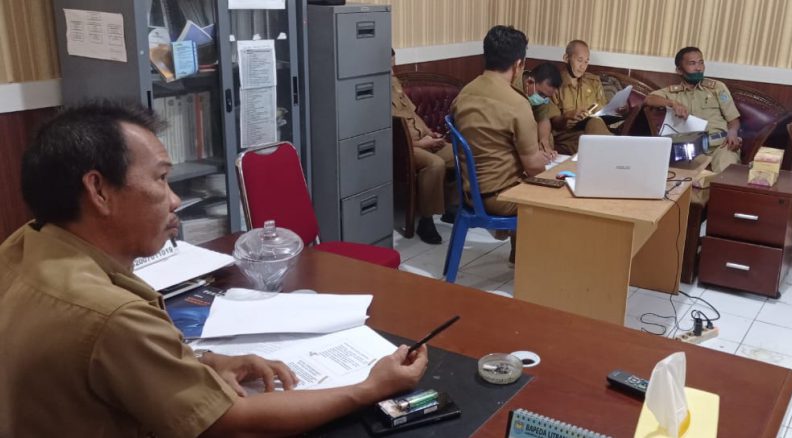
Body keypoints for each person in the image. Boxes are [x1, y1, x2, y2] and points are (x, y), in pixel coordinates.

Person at [0, 101, 429, 436]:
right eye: (161, 179)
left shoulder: (23, 246)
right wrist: (370, 388)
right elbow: (231, 423)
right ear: (98, 190)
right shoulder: (112, 316)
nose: (174, 200)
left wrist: (203, 361)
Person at [452, 25, 549, 263]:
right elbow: (533, 167)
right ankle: (535, 264)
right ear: (518, 64)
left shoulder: (464, 94)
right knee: (556, 198)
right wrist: (550, 164)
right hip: (499, 198)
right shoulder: (517, 104)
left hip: (468, 193)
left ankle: (519, 254)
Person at [391, 48, 456, 244]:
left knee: (460, 155)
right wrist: (421, 143)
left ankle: (451, 207)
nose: (392, 73)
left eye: (393, 67)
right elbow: (392, 134)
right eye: (388, 69)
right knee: (435, 164)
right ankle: (426, 220)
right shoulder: (375, 92)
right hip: (406, 148)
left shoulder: (394, 84)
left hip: (423, 140)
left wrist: (430, 133)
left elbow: (413, 114)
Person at [645, 46, 742, 173]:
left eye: (701, 62)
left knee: (725, 174)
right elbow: (649, 99)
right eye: (692, 63)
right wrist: (672, 103)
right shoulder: (673, 93)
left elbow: (734, 120)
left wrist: (733, 132)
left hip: (721, 145)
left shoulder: (717, 88)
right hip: (690, 150)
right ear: (679, 70)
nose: (698, 68)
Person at [549, 40, 615, 155]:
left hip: (595, 131)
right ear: (566, 58)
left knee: (595, 122)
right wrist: (566, 116)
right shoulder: (554, 83)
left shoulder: (593, 82)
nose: (583, 67)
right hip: (569, 136)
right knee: (597, 130)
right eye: (579, 60)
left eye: (586, 62)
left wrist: (617, 111)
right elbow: (552, 121)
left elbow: (603, 111)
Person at [521, 62, 563, 159]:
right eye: (541, 94)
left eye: (546, 96)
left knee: (548, 138)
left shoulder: (542, 98)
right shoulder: (511, 83)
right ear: (530, 81)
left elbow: (543, 118)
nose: (542, 98)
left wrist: (544, 142)